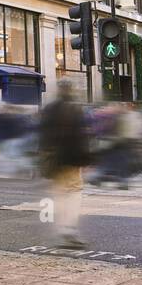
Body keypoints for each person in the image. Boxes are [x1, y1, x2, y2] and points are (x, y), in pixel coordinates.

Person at [36, 80, 92, 248]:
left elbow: (42, 134)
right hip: (72, 159)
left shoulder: (49, 108)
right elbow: (82, 136)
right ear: (71, 89)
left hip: (54, 159)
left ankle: (62, 228)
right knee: (74, 192)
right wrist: (86, 159)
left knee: (60, 193)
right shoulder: (76, 109)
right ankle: (69, 228)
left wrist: (42, 155)